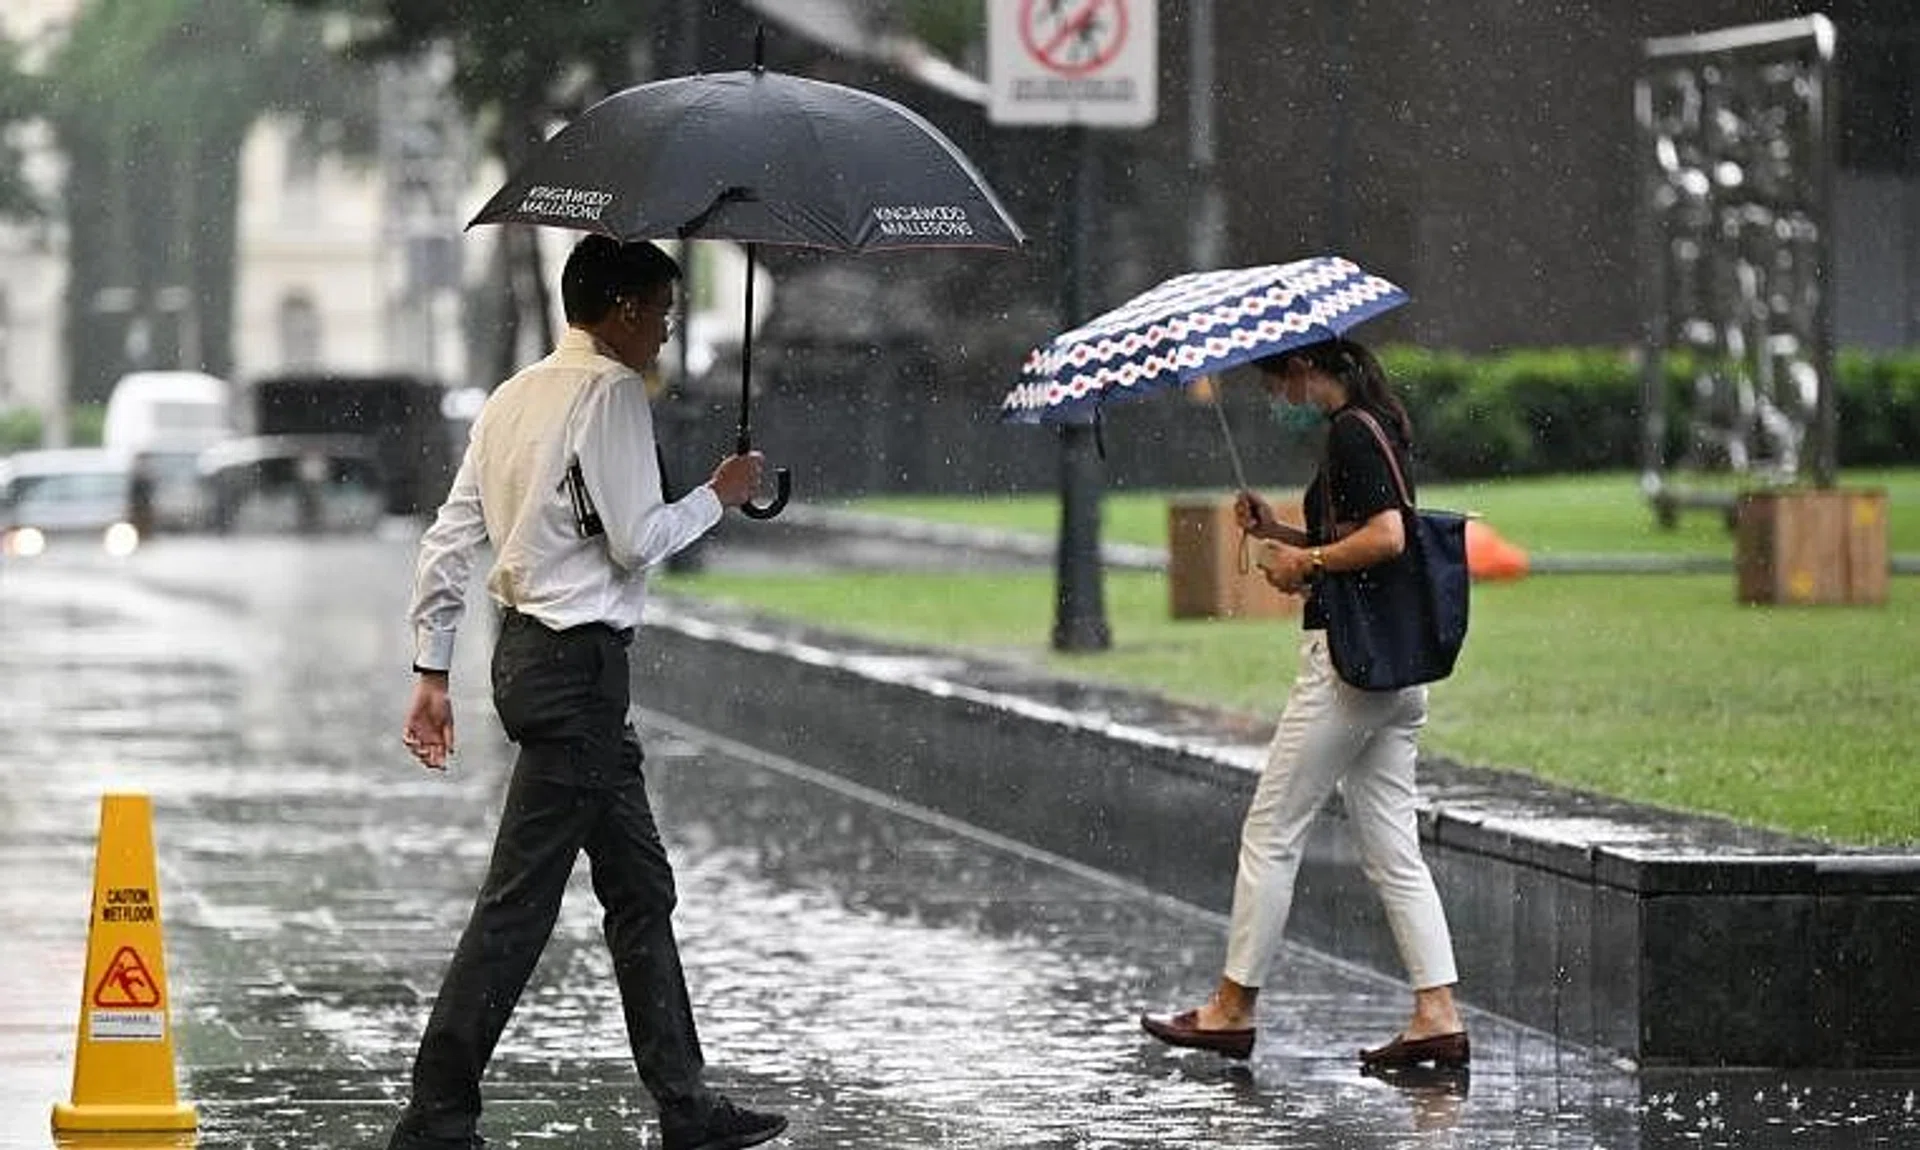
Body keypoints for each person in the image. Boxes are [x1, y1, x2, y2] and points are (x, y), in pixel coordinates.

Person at [387, 235, 787, 1150]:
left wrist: (431, 669)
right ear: (622, 311)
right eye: (662, 312)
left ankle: (686, 1106)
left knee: (640, 888)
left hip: (531, 659)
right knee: (518, 906)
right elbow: (637, 541)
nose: (666, 331)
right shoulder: (608, 394)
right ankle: (436, 1111)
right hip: (578, 674)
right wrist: (717, 496)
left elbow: (449, 541)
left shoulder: (511, 398)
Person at [1140, 337, 1468, 1071]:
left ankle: (1231, 1009)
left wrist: (1307, 563)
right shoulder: (1379, 423)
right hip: (1394, 673)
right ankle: (1437, 1013)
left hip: (1347, 673)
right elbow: (1362, 536)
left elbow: (1386, 538)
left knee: (1271, 832)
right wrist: (1281, 532)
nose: (1276, 397)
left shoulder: (1352, 431)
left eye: (1276, 381)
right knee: (1393, 850)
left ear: (1300, 367)